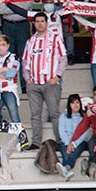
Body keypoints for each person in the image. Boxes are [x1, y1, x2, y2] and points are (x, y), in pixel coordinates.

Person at [22, 12, 66, 147]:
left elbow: (63, 59)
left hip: (50, 83)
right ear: (34, 24)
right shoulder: (30, 40)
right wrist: (27, 78)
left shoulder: (55, 38)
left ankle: (59, 141)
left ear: (47, 23)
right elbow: (24, 61)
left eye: (42, 21)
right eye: (37, 21)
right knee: (35, 115)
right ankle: (36, 142)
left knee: (54, 114)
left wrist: (57, 76)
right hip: (34, 84)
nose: (40, 24)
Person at [0, 0, 31, 76]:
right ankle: (8, 80)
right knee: (8, 54)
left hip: (22, 25)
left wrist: (11, 5)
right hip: (8, 24)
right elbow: (2, 10)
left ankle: (25, 83)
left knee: (23, 55)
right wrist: (18, 7)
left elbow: (25, 9)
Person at [0, 34, 22, 127]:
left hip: (8, 89)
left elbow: (11, 74)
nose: (1, 47)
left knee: (14, 117)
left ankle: (20, 139)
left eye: (3, 44)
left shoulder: (14, 57)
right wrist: (4, 69)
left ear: (8, 45)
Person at [56, 94, 87, 180]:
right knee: (65, 150)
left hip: (79, 142)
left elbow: (84, 134)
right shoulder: (63, 116)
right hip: (66, 141)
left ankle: (65, 168)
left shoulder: (84, 117)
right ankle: (67, 169)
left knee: (78, 148)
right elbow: (62, 132)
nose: (75, 105)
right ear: (69, 105)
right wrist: (68, 144)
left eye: (77, 102)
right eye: (72, 103)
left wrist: (74, 144)